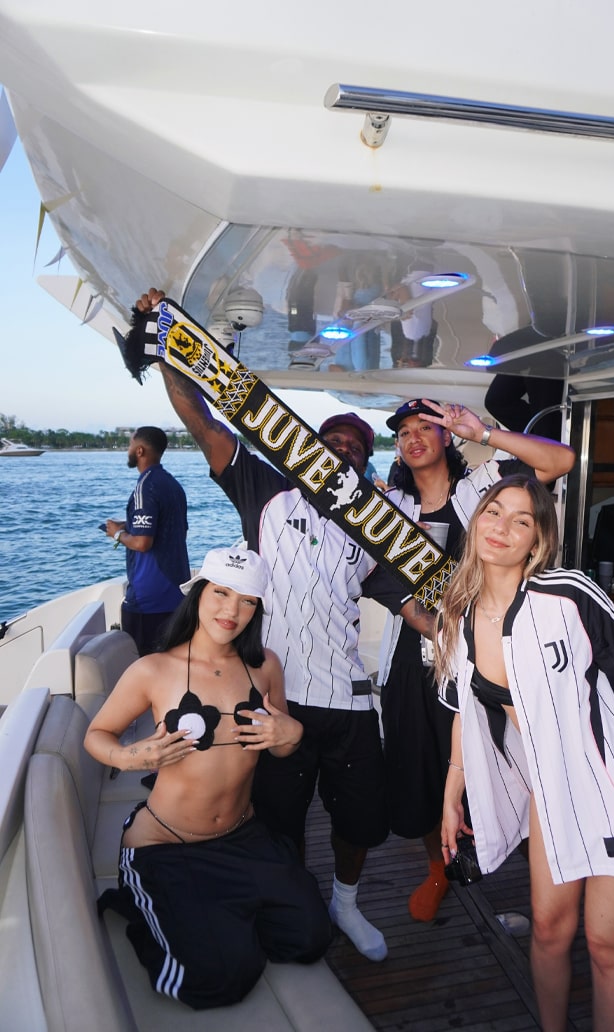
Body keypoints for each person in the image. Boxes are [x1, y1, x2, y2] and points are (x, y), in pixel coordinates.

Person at [129, 287, 432, 964]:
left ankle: (346, 904)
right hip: (273, 697)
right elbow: (202, 419)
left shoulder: (375, 527)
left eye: (356, 448)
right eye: (332, 443)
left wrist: (470, 632)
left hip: (349, 701)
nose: (343, 451)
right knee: (277, 819)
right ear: (309, 452)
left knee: (360, 822)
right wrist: (170, 341)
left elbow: (413, 606)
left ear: (364, 465)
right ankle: (290, 897)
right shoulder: (265, 492)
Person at [435, 474, 614, 1032]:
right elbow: (465, 705)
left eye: (521, 520)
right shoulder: (456, 611)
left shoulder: (565, 594)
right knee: (548, 932)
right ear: (477, 518)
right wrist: (452, 792)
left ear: (537, 541)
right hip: (552, 796)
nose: (502, 527)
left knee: (607, 948)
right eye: (494, 511)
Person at [84, 543, 331, 1009]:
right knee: (219, 979)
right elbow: (96, 735)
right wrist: (131, 757)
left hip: (243, 837)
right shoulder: (154, 669)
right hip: (167, 844)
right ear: (198, 593)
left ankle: (216, 910)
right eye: (221, 593)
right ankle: (145, 904)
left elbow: (280, 743)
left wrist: (292, 732)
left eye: (247, 601)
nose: (231, 611)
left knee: (310, 937)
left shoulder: (265, 666)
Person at [378, 399, 575, 922]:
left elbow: (560, 462)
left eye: (426, 427)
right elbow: (375, 577)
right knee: (422, 769)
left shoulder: (484, 489)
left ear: (447, 436)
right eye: (404, 431)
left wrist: (483, 432)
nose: (414, 437)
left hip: (489, 654)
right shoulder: (387, 504)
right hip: (413, 657)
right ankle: (438, 867)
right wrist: (424, 620)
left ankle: (538, 871)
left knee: (512, 759)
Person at [103, 426, 190, 656]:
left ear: (140, 450)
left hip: (148, 600)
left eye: (130, 445)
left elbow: (142, 543)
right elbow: (173, 529)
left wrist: (117, 534)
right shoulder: (173, 485)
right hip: (175, 596)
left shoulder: (145, 487)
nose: (128, 450)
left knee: (144, 666)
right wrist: (128, 525)